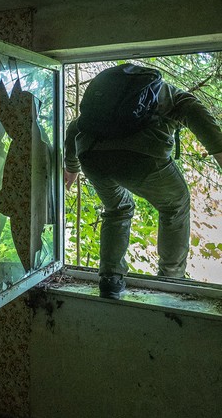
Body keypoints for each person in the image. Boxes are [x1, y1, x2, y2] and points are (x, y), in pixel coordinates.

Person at [64, 64, 222, 299]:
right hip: (143, 158)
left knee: (117, 208)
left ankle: (110, 278)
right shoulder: (171, 95)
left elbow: (75, 126)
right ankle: (171, 279)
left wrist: (71, 168)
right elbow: (195, 112)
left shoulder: (107, 102)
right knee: (175, 204)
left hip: (92, 156)